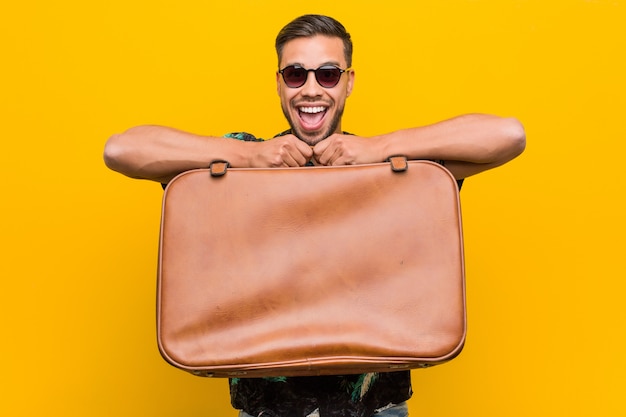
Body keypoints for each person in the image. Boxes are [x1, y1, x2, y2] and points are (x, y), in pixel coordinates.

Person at [104, 14, 525, 417]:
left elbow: (508, 135)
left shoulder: (388, 168)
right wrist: (247, 154)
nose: (310, 89)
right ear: (279, 83)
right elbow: (121, 150)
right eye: (295, 74)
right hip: (267, 410)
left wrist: (380, 148)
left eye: (327, 74)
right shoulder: (240, 163)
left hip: (378, 409)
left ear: (349, 82)